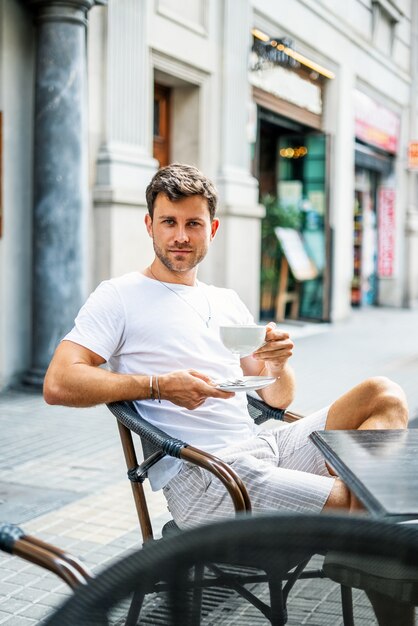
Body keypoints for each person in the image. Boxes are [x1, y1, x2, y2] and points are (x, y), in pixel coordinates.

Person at [44, 163, 409, 530]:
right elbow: (59, 382)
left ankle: (350, 520)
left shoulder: (227, 301)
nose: (181, 236)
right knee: (364, 497)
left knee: (384, 395)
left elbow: (278, 400)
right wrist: (157, 386)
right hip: (206, 473)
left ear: (212, 229)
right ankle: (360, 537)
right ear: (149, 225)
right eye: (169, 222)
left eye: (193, 224)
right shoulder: (119, 296)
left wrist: (277, 365)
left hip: (265, 449)